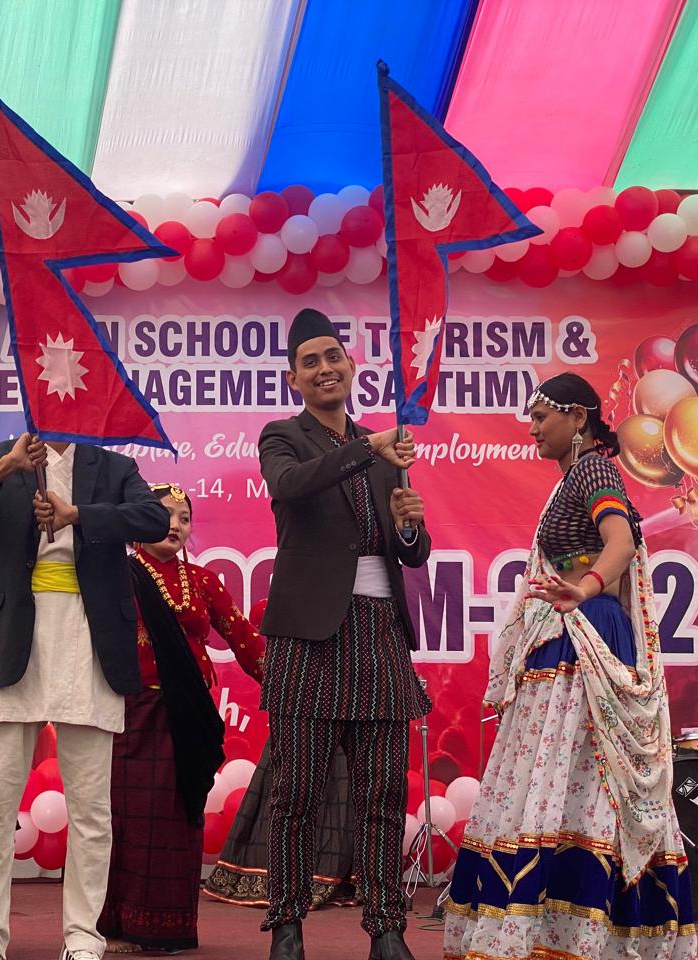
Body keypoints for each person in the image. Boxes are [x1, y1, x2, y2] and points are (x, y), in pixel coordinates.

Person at [444, 373, 697, 960]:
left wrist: (583, 588)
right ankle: (558, 929)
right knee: (561, 777)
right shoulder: (572, 478)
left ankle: (581, 930)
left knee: (582, 778)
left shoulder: (592, 471)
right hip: (565, 634)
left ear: (578, 417)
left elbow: (620, 542)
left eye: (541, 417)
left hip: (585, 636)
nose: (532, 429)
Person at [0, 434, 169, 960]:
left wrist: (77, 514)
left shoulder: (114, 465)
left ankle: (83, 936)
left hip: (89, 638)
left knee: (91, 808)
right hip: (16, 638)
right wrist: (5, 468)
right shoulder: (3, 455)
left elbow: (154, 519)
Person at [258, 308, 430, 960]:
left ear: (351, 365)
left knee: (382, 793)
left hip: (379, 631)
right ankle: (287, 926)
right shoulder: (283, 438)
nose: (325, 368)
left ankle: (386, 927)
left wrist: (410, 527)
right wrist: (367, 449)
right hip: (308, 636)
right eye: (311, 362)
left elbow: (408, 552)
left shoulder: (384, 452)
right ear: (294, 378)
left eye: (334, 356)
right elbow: (290, 486)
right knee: (296, 794)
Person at [99, 482, 264, 953]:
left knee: (178, 816)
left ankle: (166, 927)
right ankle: (117, 926)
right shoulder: (115, 575)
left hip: (187, 716)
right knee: (126, 818)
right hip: (130, 713)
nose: (175, 524)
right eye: (163, 514)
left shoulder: (204, 580)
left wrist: (288, 680)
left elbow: (243, 637)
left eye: (183, 518)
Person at [202, 600, 356, 916]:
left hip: (339, 699)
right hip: (300, 700)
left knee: (333, 781)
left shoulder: (353, 607)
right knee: (290, 788)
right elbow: (259, 635)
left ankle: (327, 874)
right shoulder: (287, 604)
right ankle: (285, 880)